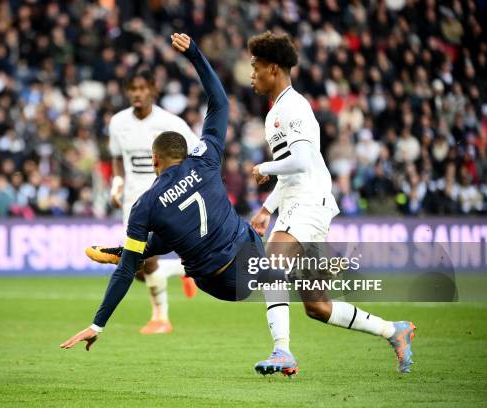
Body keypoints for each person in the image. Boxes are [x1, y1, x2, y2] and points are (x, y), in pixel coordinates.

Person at [60, 33, 298, 375]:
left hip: (214, 284)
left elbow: (127, 275)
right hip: (245, 258)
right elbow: (220, 104)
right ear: (183, 152)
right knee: (267, 266)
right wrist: (195, 54)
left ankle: (126, 248)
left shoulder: (146, 204)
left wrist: (97, 326)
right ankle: (282, 350)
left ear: (155, 161)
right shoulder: (204, 158)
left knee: (158, 242)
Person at [247, 31, 416, 373]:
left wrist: (264, 167)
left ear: (274, 69)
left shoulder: (294, 107)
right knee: (318, 307)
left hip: (309, 202)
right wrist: (267, 208)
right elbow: (290, 171)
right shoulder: (274, 113)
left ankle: (282, 351)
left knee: (270, 265)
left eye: (256, 67)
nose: (251, 74)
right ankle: (394, 331)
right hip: (298, 201)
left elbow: (303, 161)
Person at [104, 69, 201, 335]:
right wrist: (117, 183)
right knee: (138, 269)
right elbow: (116, 157)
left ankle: (161, 318)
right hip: (134, 202)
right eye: (132, 88)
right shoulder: (118, 123)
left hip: (165, 198)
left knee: (147, 260)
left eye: (142, 88)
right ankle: (180, 269)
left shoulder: (170, 122)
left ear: (152, 90)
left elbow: (196, 152)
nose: (137, 93)